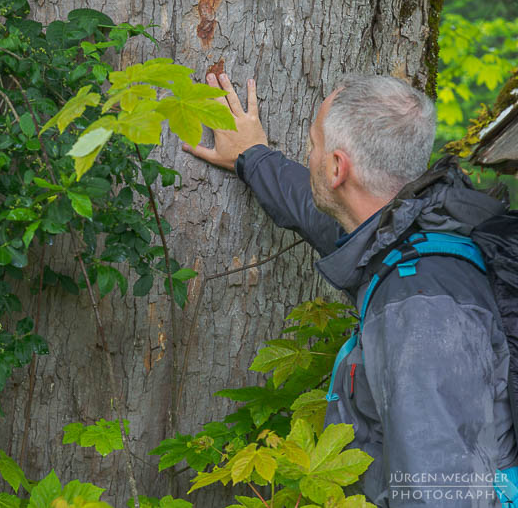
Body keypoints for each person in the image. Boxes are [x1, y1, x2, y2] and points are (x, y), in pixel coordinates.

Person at [182, 73, 518, 506]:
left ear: (338, 168)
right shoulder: (431, 227)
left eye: (313, 145)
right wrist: (254, 158)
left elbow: (438, 494)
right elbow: (328, 216)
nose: (310, 156)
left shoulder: (421, 312)